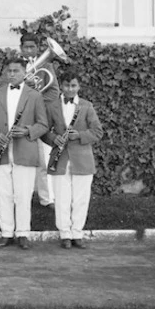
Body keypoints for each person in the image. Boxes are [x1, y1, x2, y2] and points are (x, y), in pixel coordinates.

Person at [0, 57, 48, 250]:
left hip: (24, 150)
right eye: (9, 71)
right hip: (0, 150)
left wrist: (28, 131)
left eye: (16, 71)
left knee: (23, 194)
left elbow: (43, 124)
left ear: (25, 72)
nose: (12, 74)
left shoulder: (34, 96)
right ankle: (6, 233)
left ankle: (23, 233)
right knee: (3, 194)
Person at [41, 69, 103, 249]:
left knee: (81, 198)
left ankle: (77, 233)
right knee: (61, 197)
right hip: (60, 158)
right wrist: (53, 139)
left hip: (82, 159)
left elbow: (97, 132)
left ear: (79, 87)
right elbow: (44, 130)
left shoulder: (87, 106)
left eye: (74, 85)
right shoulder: (52, 106)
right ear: (61, 86)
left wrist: (80, 135)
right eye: (67, 85)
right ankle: (64, 234)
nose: (70, 89)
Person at [20, 32, 60, 209]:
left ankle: (48, 198)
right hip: (21, 119)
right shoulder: (15, 66)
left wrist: (37, 98)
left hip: (41, 117)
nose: (29, 50)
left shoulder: (46, 65)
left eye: (32, 47)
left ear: (37, 48)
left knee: (45, 159)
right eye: (26, 47)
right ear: (21, 48)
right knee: (22, 161)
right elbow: (5, 90)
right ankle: (21, 197)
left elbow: (53, 92)